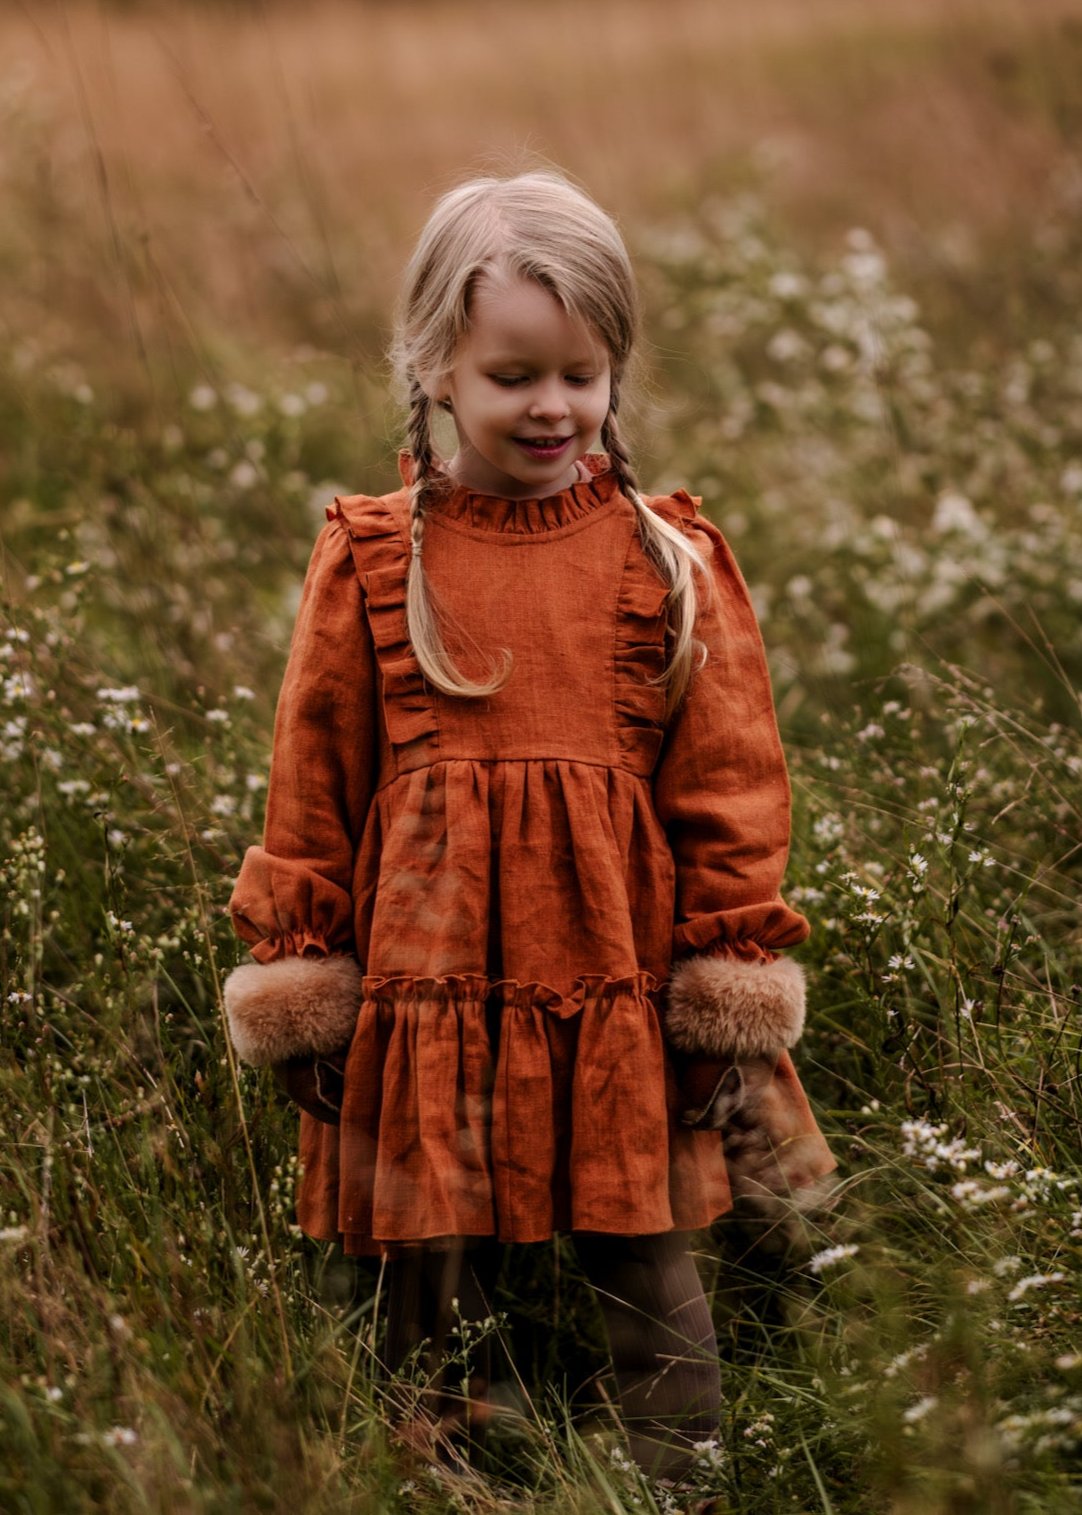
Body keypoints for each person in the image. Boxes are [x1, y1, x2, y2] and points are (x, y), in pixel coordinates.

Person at [222, 169, 838, 1495]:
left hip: (613, 974)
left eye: (580, 371)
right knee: (422, 1257)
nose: (551, 405)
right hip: (423, 978)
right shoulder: (376, 556)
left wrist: (721, 978)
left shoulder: (662, 558)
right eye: (512, 375)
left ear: (614, 367)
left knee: (644, 1249)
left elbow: (729, 786)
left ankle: (669, 1474)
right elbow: (312, 771)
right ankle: (431, 1467)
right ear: (437, 366)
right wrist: (303, 966)